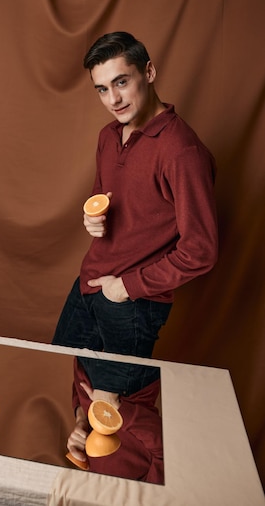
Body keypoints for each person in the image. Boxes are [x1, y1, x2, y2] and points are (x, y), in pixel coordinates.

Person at [52, 31, 218, 403]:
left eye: (121, 82)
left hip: (132, 303)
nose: (113, 99)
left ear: (149, 72)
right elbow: (105, 200)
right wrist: (93, 219)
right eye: (101, 89)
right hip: (88, 283)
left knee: (116, 414)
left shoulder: (182, 152)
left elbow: (201, 249)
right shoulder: (108, 136)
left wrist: (125, 288)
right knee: (72, 390)